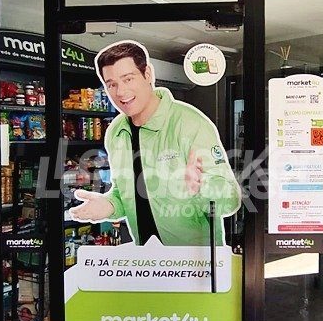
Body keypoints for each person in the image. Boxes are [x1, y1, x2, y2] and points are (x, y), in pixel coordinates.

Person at [70, 41, 240, 246]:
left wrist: (203, 186)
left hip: (196, 260)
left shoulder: (190, 123)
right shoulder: (116, 132)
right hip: (148, 258)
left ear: (148, 74)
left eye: (128, 79)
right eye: (111, 84)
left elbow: (230, 201)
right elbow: (125, 194)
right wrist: (109, 206)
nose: (121, 92)